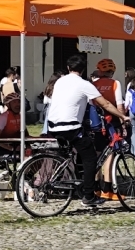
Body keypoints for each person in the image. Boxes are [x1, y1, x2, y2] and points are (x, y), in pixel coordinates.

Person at [47, 54, 129, 207]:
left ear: (68, 68)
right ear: (83, 70)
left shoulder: (59, 81)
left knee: (76, 153)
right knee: (90, 157)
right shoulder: (85, 84)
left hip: (53, 125)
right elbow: (105, 104)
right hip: (70, 126)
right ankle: (89, 196)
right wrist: (122, 117)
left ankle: (75, 181)